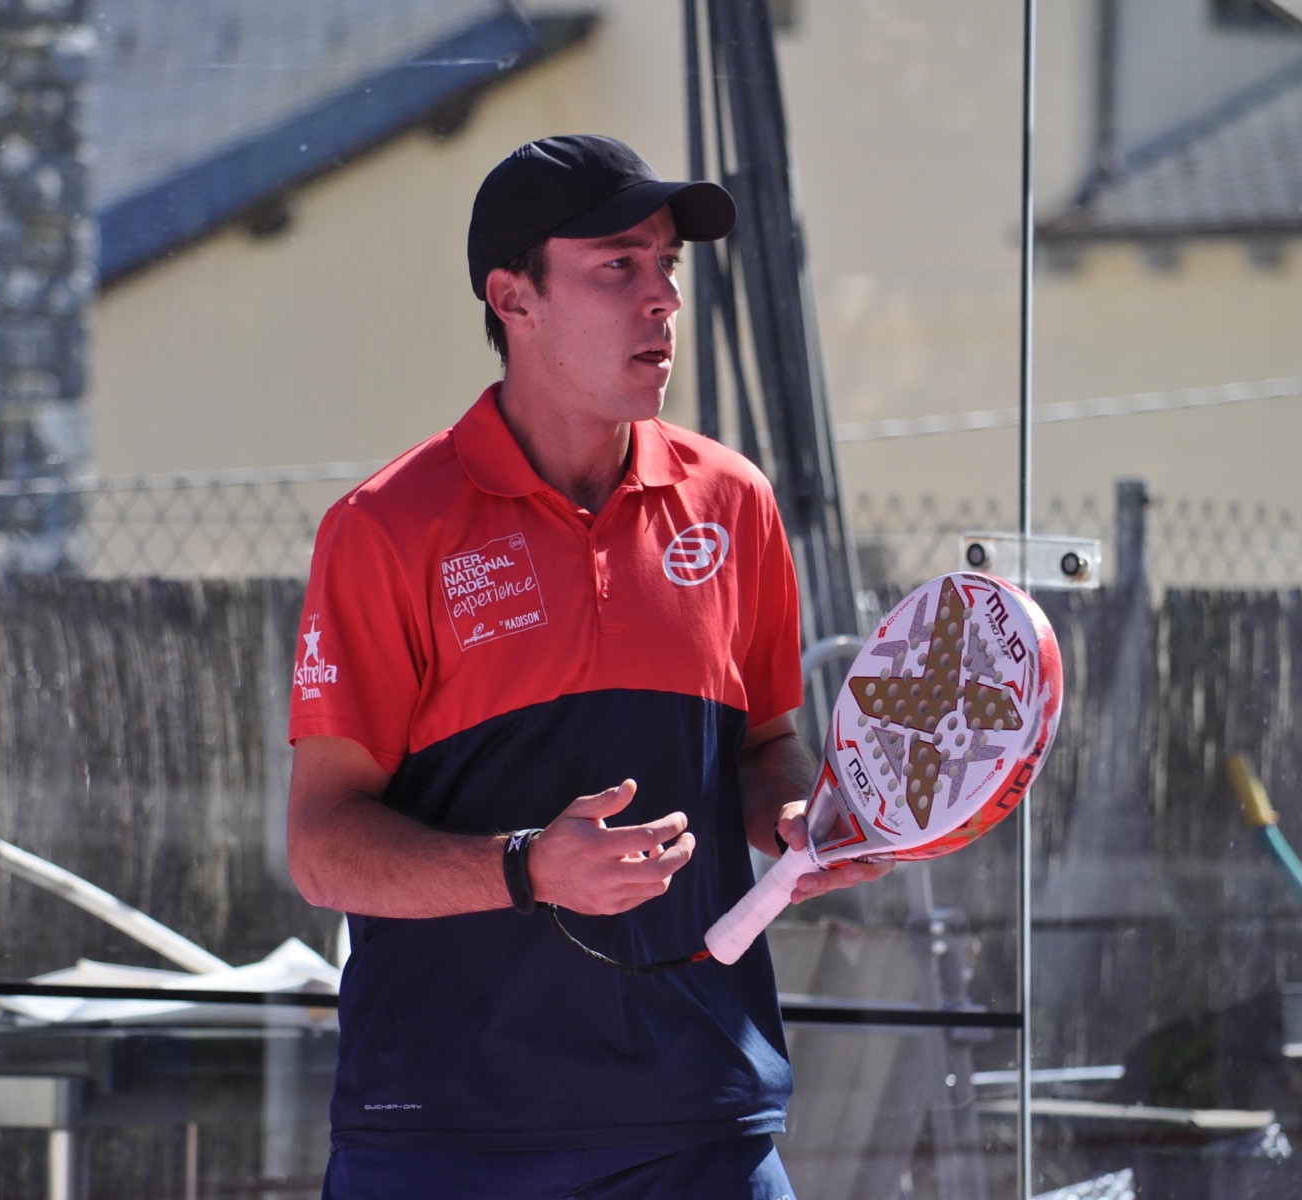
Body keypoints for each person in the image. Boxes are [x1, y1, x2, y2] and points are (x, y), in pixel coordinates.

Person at [286, 134, 889, 1200]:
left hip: (702, 1124)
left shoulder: (732, 501)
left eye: (668, 264)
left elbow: (764, 747)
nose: (662, 298)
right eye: (618, 265)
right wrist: (525, 867)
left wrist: (802, 820)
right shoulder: (384, 527)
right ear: (511, 298)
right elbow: (324, 848)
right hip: (444, 1139)